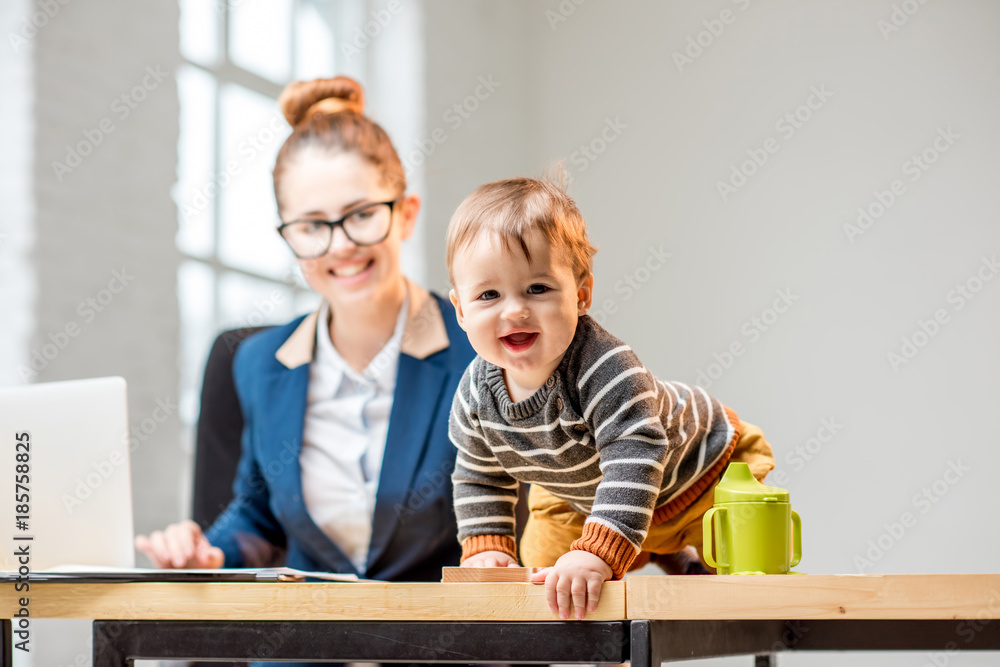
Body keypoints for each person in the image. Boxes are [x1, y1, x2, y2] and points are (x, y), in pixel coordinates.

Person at [136, 76, 475, 586]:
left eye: (361, 215)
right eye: (312, 226)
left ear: (406, 215)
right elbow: (259, 518)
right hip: (305, 646)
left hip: (450, 645)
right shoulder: (258, 362)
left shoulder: (481, 349)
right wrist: (207, 552)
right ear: (288, 235)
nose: (340, 246)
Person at [445, 176, 775, 619]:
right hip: (587, 492)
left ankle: (672, 551)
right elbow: (478, 474)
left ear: (581, 295)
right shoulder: (474, 396)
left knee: (744, 585)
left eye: (537, 288)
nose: (515, 310)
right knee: (543, 566)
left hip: (701, 471)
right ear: (461, 311)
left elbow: (635, 452)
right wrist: (486, 547)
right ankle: (640, 577)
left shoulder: (604, 366)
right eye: (489, 295)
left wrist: (598, 552)